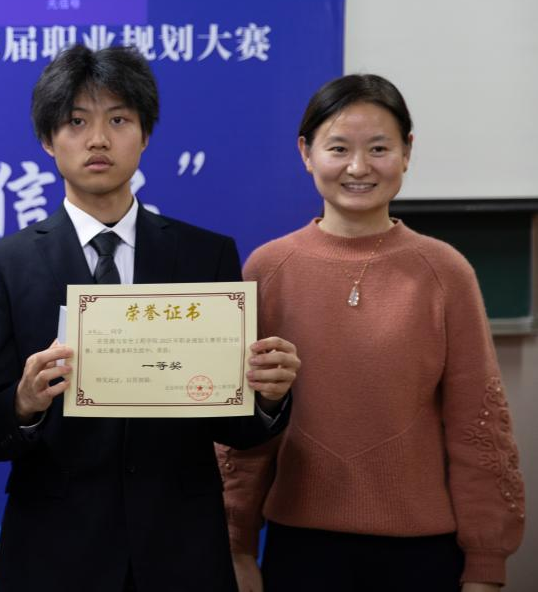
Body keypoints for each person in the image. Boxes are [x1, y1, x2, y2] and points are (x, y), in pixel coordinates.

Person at [0, 45, 300, 592]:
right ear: (48, 139)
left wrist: (267, 396)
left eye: (119, 120)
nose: (98, 139)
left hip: (180, 545)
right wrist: (23, 404)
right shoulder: (2, 266)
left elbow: (234, 427)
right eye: (77, 122)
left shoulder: (205, 256)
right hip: (55, 551)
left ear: (145, 135)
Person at [217, 73, 525, 592]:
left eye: (379, 148)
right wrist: (237, 543)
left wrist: (486, 565)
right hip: (300, 548)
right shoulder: (267, 269)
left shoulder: (445, 272)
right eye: (338, 148)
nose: (358, 167)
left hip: (424, 553)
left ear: (407, 152)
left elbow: (478, 424)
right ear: (306, 153)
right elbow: (243, 427)